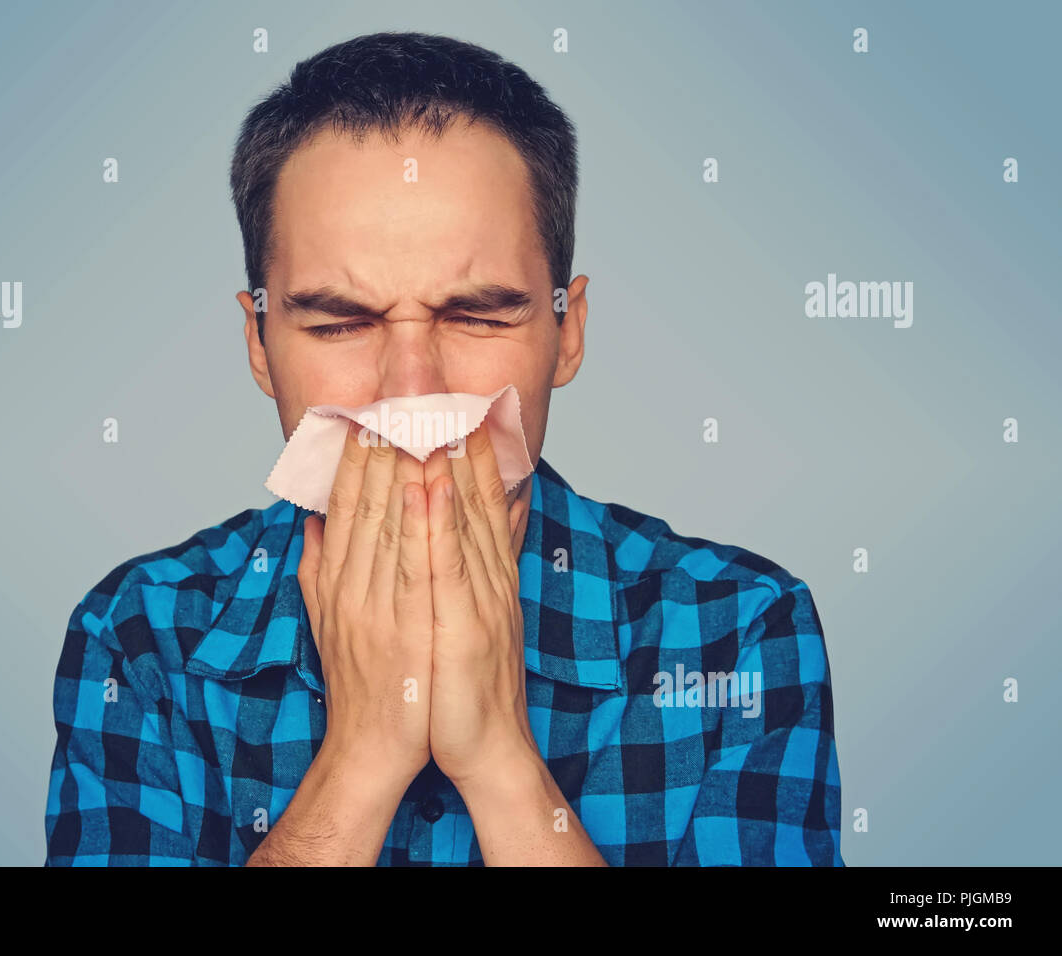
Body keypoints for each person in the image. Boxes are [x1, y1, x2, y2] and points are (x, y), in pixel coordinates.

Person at [44, 30, 843, 866]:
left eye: (477, 316)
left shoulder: (741, 631)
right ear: (258, 343)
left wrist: (498, 758)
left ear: (568, 336)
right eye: (340, 323)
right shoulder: (139, 640)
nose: (413, 391)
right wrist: (363, 754)